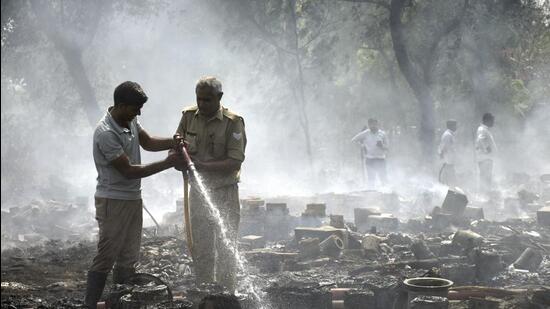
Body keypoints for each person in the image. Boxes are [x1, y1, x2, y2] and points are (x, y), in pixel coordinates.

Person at [85, 81, 184, 308]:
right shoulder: (106, 132)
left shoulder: (129, 119)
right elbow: (128, 171)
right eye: (135, 108)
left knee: (129, 257)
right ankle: (89, 305)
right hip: (113, 200)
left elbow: (147, 142)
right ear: (120, 105)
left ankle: (120, 301)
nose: (139, 112)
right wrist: (168, 163)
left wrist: (173, 141)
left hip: (132, 198)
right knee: (106, 256)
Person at [175, 76, 246, 293]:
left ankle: (226, 296)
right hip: (198, 192)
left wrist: (202, 165)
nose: (202, 104)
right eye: (199, 99)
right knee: (202, 247)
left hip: (224, 192)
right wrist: (178, 158)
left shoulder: (233, 122)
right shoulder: (188, 117)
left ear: (219, 97)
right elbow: (177, 145)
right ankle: (205, 295)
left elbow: (235, 161)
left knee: (226, 248)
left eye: (207, 100)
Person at [351, 118, 388, 188]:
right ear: (369, 125)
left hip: (381, 159)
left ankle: (386, 194)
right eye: (371, 125)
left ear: (378, 125)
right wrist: (362, 146)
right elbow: (353, 140)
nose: (373, 126)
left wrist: (382, 146)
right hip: (370, 159)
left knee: (383, 178)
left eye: (375, 124)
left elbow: (387, 147)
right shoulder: (365, 133)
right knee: (371, 179)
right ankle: (371, 196)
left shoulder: (382, 134)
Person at [475, 112, 497, 197]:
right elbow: (480, 140)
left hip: (486, 158)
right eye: (492, 120)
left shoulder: (484, 129)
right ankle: (484, 196)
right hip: (485, 158)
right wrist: (486, 148)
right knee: (486, 178)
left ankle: (485, 195)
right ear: (487, 120)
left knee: (486, 177)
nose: (493, 122)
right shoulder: (482, 129)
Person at [438, 119, 458, 186]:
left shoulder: (450, 134)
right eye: (455, 125)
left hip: (450, 161)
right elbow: (443, 147)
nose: (456, 127)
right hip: (448, 162)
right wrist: (444, 160)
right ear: (451, 126)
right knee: (451, 180)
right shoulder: (447, 135)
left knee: (450, 180)